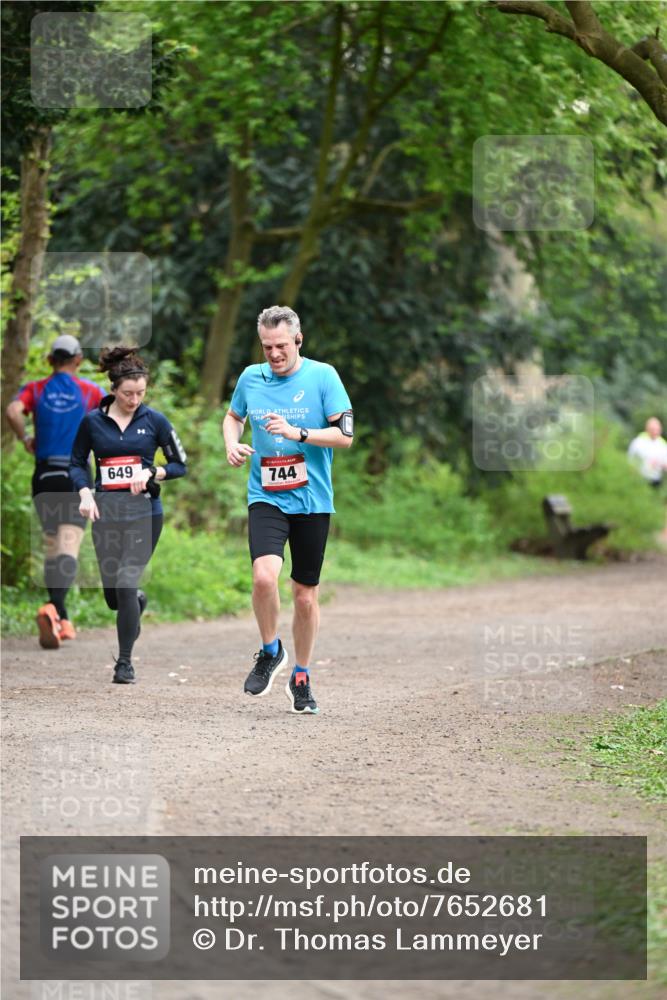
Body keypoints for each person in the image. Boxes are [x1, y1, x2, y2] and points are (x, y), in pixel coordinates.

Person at [223, 305, 353, 715]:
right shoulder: (251, 377)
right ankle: (269, 651)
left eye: (281, 346)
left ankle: (301, 675)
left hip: (312, 499)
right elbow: (233, 417)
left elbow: (345, 435)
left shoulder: (323, 376)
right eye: (267, 347)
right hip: (267, 495)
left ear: (298, 340)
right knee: (264, 577)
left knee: (304, 596)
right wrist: (231, 443)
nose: (274, 354)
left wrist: (298, 432)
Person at [69, 346, 187, 684]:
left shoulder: (155, 421)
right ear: (113, 389)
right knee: (114, 596)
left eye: (140, 393)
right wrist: (84, 492)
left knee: (125, 581)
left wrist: (154, 472)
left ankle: (124, 663)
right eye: (127, 394)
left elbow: (179, 464)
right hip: (106, 514)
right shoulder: (92, 422)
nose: (134, 400)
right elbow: (76, 463)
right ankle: (135, 602)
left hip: (144, 513)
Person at [5, 334, 105, 649]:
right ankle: (54, 611)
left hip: (44, 474)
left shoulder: (36, 389)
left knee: (52, 546)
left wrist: (25, 438)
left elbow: (13, 411)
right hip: (75, 475)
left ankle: (60, 617)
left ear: (50, 360)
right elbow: (112, 416)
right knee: (68, 546)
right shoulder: (90, 391)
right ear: (78, 360)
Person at [628, 416, 667, 542]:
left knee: (655, 504)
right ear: (647, 429)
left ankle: (653, 531)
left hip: (656, 479)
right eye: (653, 429)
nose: (655, 431)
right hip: (640, 478)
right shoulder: (638, 442)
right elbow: (630, 459)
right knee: (639, 503)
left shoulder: (662, 444)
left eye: (657, 429)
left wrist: (661, 464)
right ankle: (637, 530)